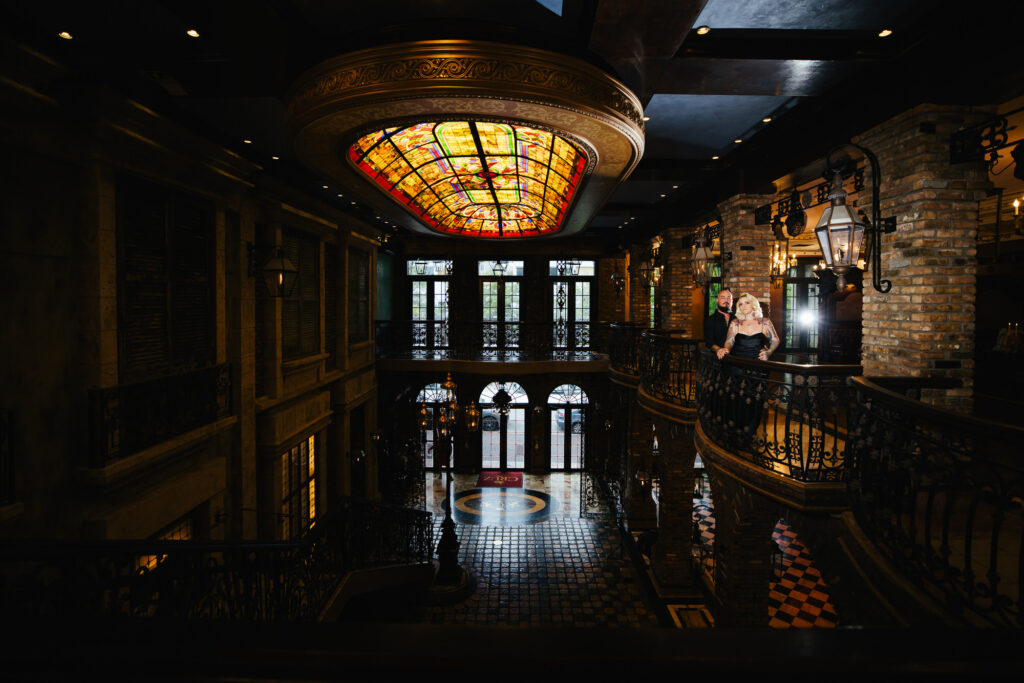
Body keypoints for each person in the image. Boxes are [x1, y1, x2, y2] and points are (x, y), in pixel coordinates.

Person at [715, 293, 779, 441]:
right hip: (737, 365)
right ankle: (735, 430)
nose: (743, 306)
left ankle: (750, 432)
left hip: (758, 366)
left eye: (746, 303)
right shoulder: (735, 323)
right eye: (740, 304)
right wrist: (725, 349)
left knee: (755, 399)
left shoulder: (765, 322)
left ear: (754, 305)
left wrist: (769, 352)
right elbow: (729, 340)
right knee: (737, 397)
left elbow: (775, 340)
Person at [704, 288, 733, 354]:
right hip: (717, 357)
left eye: (729, 298)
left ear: (732, 301)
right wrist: (718, 349)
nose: (726, 300)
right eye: (723, 298)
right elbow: (709, 341)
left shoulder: (737, 319)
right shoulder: (710, 319)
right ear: (717, 300)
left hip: (735, 357)